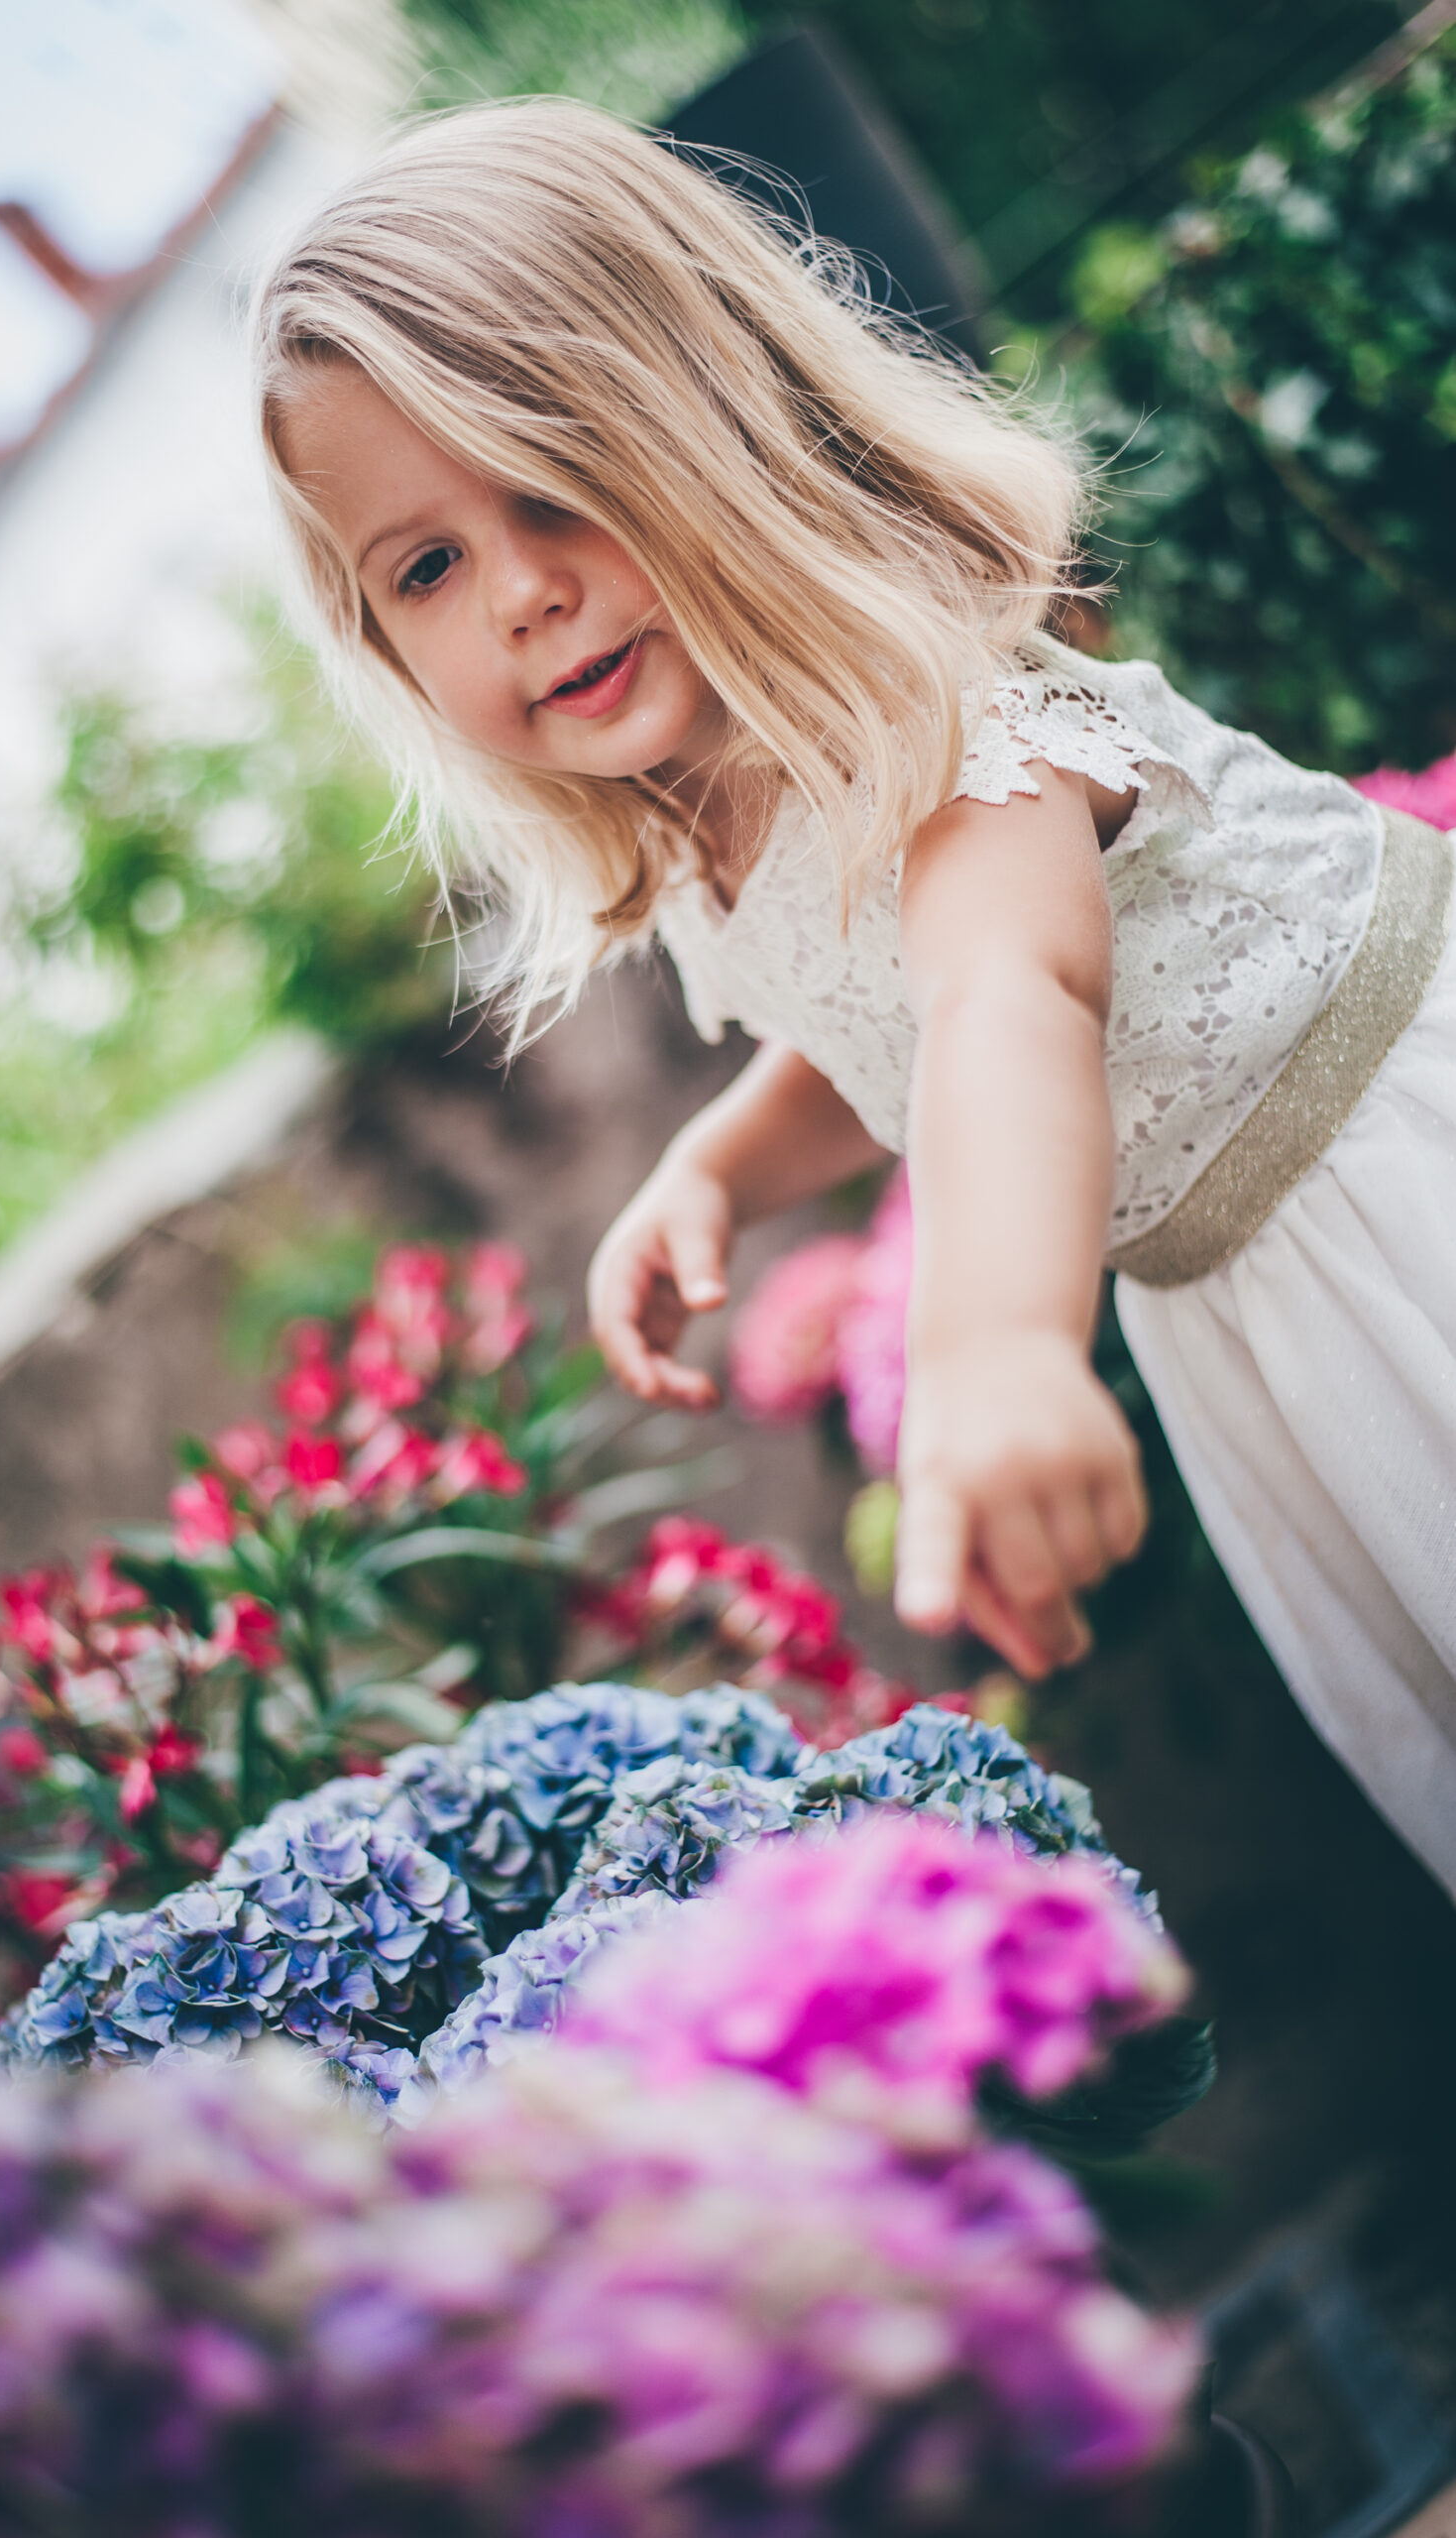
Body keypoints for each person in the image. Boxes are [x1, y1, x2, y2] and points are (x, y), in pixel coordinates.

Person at [250, 98, 1456, 1898]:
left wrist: (994, 1352)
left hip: (1397, 1182)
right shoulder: (718, 822)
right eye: (423, 566)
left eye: (555, 479)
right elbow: (877, 1024)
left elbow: (1006, 996)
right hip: (1245, 1302)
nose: (519, 592)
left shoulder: (937, 715)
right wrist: (724, 1168)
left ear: (712, 413)